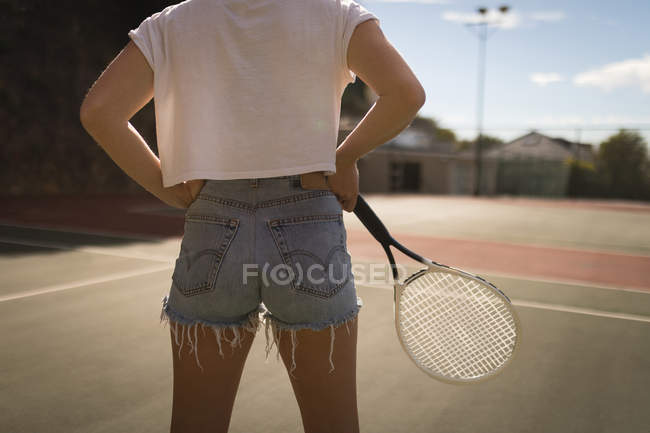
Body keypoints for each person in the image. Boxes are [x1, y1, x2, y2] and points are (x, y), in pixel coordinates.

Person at [79, 0, 425, 432]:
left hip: (212, 221)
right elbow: (407, 94)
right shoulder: (335, 13)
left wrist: (166, 188)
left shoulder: (172, 22)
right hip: (308, 224)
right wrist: (346, 156)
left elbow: (99, 112)